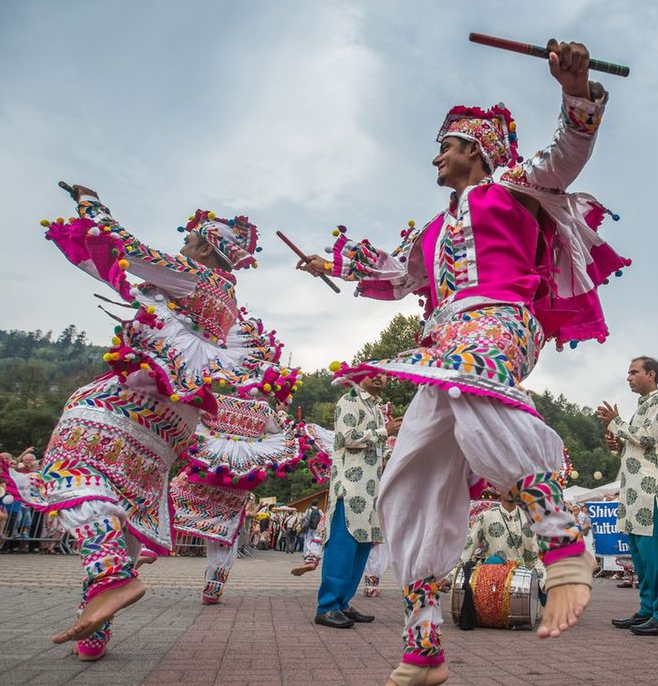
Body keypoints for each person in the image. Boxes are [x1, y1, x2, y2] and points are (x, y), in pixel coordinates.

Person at [297, 40, 622, 686]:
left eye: (447, 144)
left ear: (478, 148)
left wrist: (576, 89)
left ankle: (563, 543)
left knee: (474, 388)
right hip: (446, 343)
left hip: (500, 324)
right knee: (404, 481)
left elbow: (568, 153)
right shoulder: (430, 232)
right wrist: (330, 263)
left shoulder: (517, 187)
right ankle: (421, 645)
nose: (437, 156)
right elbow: (394, 274)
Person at [26, 184, 288, 657]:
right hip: (177, 418)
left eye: (188, 242)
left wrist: (91, 206)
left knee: (70, 464)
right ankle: (96, 629)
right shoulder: (225, 300)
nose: (182, 248)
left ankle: (111, 576)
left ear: (206, 248)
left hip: (144, 397)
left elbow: (125, 248)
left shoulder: (196, 278)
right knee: (124, 501)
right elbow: (122, 274)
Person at [170, 395, 301, 606]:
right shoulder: (262, 408)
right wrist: (283, 410)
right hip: (238, 475)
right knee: (227, 531)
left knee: (209, 524)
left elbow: (193, 413)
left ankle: (208, 581)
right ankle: (214, 586)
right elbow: (281, 429)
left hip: (210, 468)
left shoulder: (217, 400)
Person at [599, 357, 658, 634]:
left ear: (651, 375)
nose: (628, 377)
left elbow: (645, 437)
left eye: (634, 372)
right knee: (641, 558)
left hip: (652, 491)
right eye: (628, 372)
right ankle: (647, 610)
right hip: (634, 491)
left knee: (655, 557)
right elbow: (637, 449)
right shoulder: (641, 407)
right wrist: (617, 444)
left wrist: (616, 423)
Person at [314, 375, 399, 628]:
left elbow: (379, 448)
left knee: (361, 547)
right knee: (343, 544)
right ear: (360, 377)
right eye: (374, 372)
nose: (380, 377)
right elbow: (347, 437)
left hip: (371, 489)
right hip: (349, 488)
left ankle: (343, 602)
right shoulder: (349, 401)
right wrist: (386, 431)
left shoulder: (377, 408)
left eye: (384, 374)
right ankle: (327, 606)